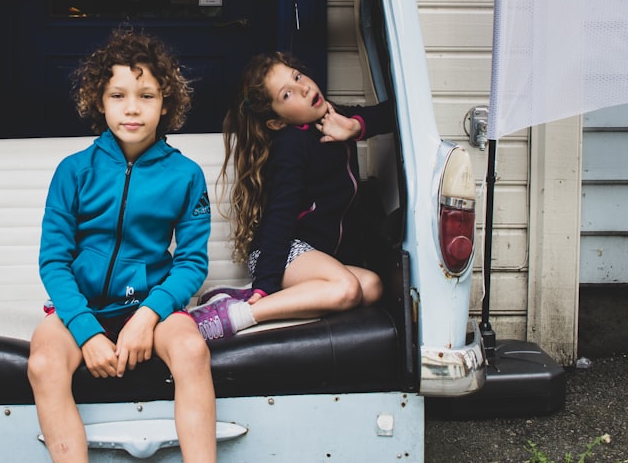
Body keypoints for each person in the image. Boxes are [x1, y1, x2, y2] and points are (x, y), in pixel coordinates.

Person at [27, 29, 217, 462]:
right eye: (118, 95)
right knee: (42, 364)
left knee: (191, 349)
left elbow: (190, 262)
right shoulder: (73, 172)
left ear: (166, 104)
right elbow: (54, 261)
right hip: (83, 305)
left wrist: (147, 317)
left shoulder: (185, 175)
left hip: (151, 305)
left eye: (146, 96)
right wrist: (87, 331)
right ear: (100, 101)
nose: (132, 108)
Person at [189, 51, 391, 341]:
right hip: (282, 254)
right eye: (287, 94)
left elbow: (392, 113)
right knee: (346, 289)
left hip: (314, 257)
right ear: (276, 122)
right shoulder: (291, 144)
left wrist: (354, 127)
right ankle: (239, 313)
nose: (304, 87)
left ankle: (243, 297)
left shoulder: (332, 116)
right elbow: (280, 215)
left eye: (297, 76)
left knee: (371, 286)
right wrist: (265, 284)